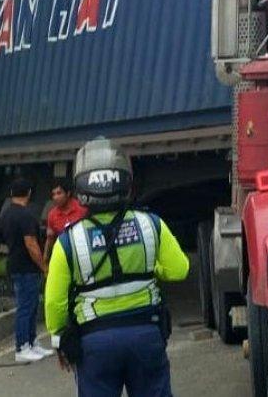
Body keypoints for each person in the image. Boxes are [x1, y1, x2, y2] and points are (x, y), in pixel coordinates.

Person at [45, 138, 189, 397]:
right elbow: (179, 269)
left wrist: (59, 341)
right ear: (126, 182)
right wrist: (149, 269)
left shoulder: (68, 241)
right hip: (146, 335)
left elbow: (54, 303)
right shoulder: (151, 224)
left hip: (94, 344)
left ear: (80, 187)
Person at [0, 177, 55, 363]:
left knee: (30, 306)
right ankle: (22, 346)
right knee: (26, 307)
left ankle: (31, 342)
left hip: (15, 264)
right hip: (26, 267)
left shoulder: (6, 214)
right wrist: (43, 266)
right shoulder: (26, 215)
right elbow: (31, 243)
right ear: (29, 193)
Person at [45, 179, 89, 262]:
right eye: (53, 194)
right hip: (63, 255)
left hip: (83, 253)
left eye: (59, 193)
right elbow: (50, 238)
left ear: (68, 193)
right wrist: (46, 260)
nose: (55, 197)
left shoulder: (82, 209)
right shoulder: (52, 214)